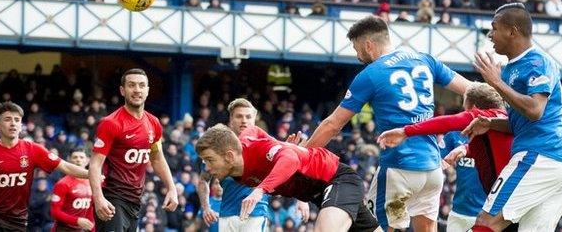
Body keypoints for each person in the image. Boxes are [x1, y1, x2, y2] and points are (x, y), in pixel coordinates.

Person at [303, 15, 471, 231]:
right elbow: (470, 89)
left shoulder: (371, 74)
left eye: (357, 49)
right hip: (432, 169)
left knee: (374, 227)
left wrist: (303, 155)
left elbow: (333, 125)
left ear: (368, 45)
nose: (357, 56)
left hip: (399, 168)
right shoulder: (425, 59)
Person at [462, 3, 562, 232]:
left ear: (512, 31)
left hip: (539, 156)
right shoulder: (510, 69)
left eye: (494, 28)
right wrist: (491, 122)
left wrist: (496, 83)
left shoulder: (537, 62)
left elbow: (535, 110)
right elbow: (522, 121)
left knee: (486, 222)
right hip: (556, 164)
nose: (490, 34)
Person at [377, 83, 513, 231]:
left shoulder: (485, 116)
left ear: (473, 108)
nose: (463, 112)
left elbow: (450, 121)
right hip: (496, 202)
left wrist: (405, 131)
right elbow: (496, 150)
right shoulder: (506, 120)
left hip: (502, 200)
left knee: (485, 224)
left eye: (465, 108)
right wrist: (466, 149)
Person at [197, 124, 378, 231]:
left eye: (210, 160)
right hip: (319, 195)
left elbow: (290, 159)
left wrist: (260, 189)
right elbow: (253, 130)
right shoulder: (242, 149)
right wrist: (280, 145)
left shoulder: (258, 151)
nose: (207, 166)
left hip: (337, 179)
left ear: (229, 156)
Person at [0, 102, 89, 231]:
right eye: (7, 119)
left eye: (17, 120)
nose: (13, 123)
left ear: (21, 125)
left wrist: (93, 173)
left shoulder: (33, 150)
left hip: (18, 220)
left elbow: (65, 166)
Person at [197, 98, 308, 231]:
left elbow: (290, 169)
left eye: (248, 116)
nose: (244, 120)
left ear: (254, 119)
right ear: (231, 119)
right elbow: (203, 179)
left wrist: (302, 199)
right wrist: (206, 208)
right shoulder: (218, 147)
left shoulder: (267, 145)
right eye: (239, 116)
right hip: (226, 213)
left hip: (256, 213)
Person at [90, 68, 178, 231]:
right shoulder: (110, 123)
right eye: (131, 85)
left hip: (136, 200)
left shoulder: (154, 123)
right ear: (122, 90)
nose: (137, 89)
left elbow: (157, 159)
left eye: (141, 85)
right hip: (112, 198)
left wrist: (172, 189)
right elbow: (95, 164)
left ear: (147, 90)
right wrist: (98, 198)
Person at [50, 148, 95, 231]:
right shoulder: (62, 183)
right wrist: (77, 221)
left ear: (87, 160)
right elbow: (54, 212)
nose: (78, 160)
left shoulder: (92, 183)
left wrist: (92, 229)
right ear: (69, 160)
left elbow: (90, 209)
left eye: (81, 157)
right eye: (75, 157)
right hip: (63, 229)